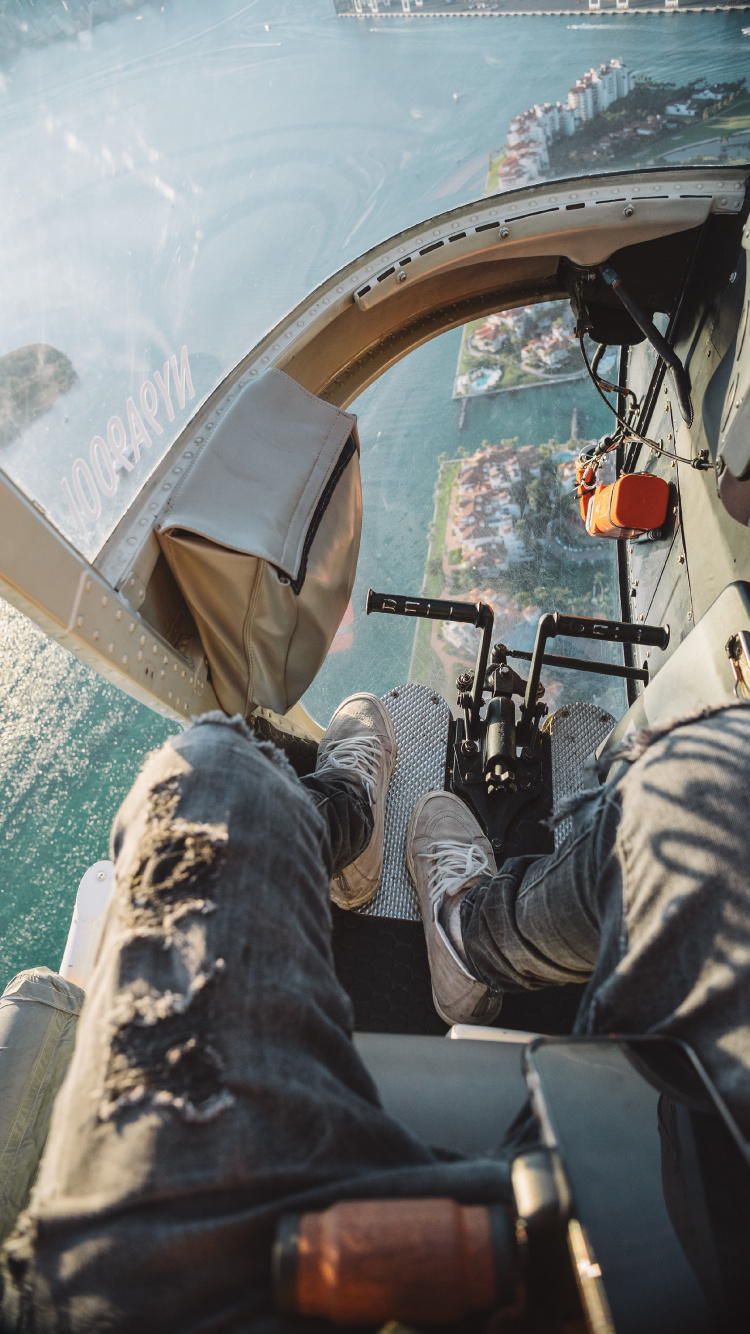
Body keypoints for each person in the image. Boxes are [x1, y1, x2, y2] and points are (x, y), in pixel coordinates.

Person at [3, 692, 750, 1332]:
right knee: (716, 784)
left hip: (158, 1298)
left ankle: (353, 823)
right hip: (652, 1235)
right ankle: (469, 935)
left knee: (211, 776)